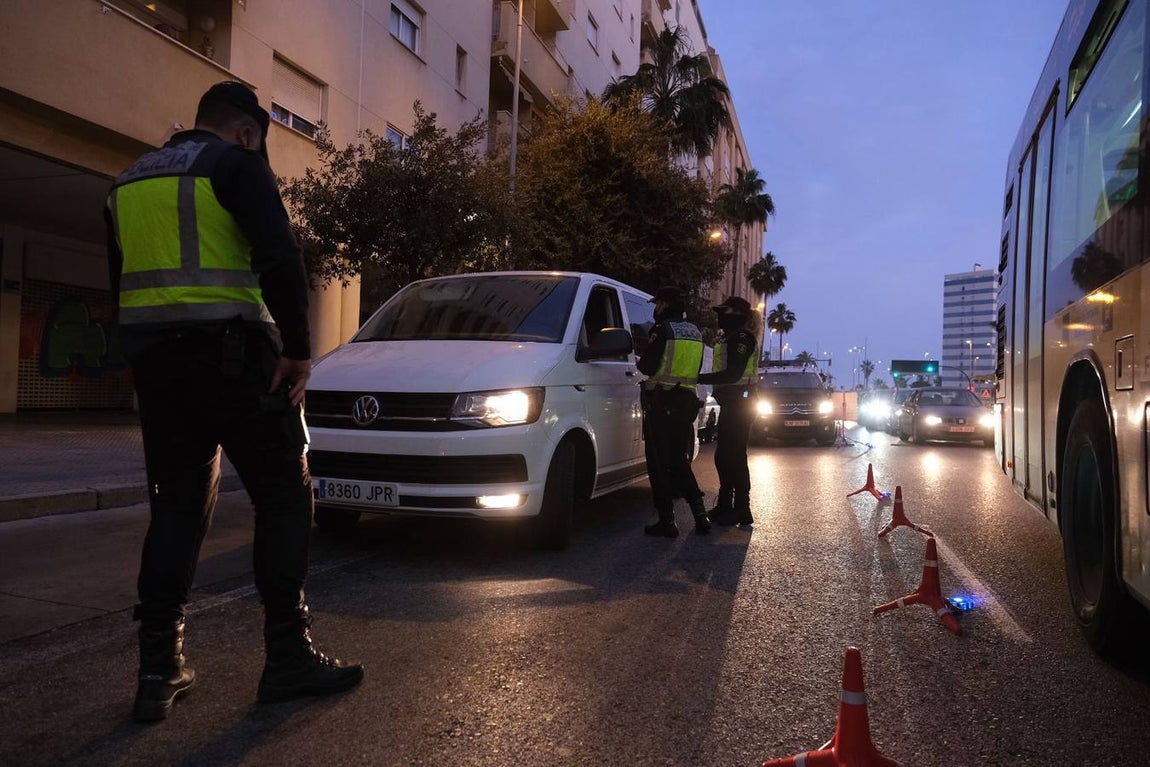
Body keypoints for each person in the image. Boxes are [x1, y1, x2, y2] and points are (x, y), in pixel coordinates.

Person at [105, 81, 363, 723]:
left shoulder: (126, 183)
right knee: (283, 492)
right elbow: (279, 256)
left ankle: (157, 669)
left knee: (178, 504)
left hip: (160, 372)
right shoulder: (235, 164)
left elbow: (120, 285)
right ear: (247, 131)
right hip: (238, 361)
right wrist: (300, 351)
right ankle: (287, 656)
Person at [636, 287, 710, 537]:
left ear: (665, 305)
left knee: (658, 462)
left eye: (657, 304)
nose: (655, 309)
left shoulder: (662, 330)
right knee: (678, 461)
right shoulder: (695, 333)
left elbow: (646, 365)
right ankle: (701, 516)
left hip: (663, 402)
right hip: (686, 402)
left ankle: (667, 521)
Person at [697, 296, 758, 527]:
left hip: (741, 403)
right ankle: (726, 505)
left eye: (724, 311)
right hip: (733, 403)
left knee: (733, 457)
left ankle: (741, 508)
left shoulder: (742, 337)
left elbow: (733, 374)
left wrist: (699, 378)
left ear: (737, 314)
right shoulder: (730, 337)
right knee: (726, 456)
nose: (720, 315)